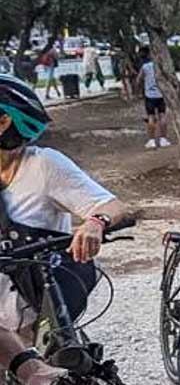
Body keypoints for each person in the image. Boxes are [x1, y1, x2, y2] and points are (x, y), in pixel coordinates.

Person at [0, 75, 128, 339]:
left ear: (4, 122)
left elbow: (113, 205)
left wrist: (95, 223)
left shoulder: (43, 166)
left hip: (32, 313)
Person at [135, 46, 172, 149]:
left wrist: (137, 90)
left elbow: (138, 80)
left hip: (149, 96)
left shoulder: (145, 67)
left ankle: (152, 141)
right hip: (161, 94)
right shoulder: (158, 65)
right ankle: (163, 139)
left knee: (151, 117)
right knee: (162, 116)